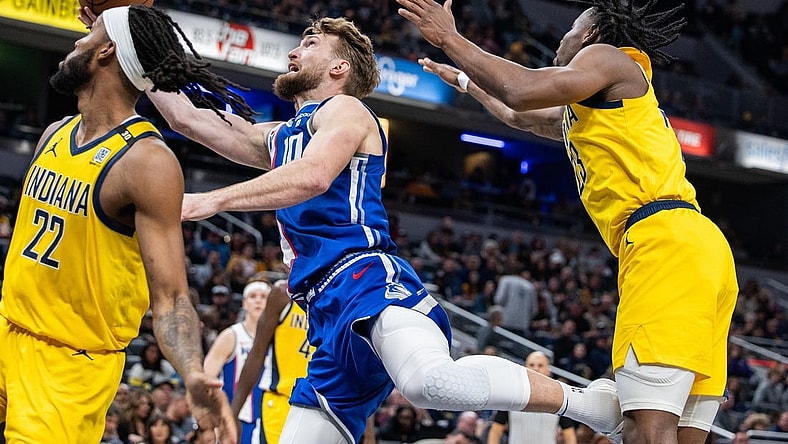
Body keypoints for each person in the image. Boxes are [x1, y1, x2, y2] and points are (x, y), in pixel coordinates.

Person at [147, 16, 623, 444]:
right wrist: (133, 52)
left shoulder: (346, 110)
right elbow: (188, 119)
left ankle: (587, 403)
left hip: (364, 277)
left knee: (429, 383)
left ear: (339, 68)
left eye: (309, 43)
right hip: (322, 310)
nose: (294, 51)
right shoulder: (280, 135)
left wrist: (212, 199)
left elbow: (314, 175)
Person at [396, 0, 739, 443]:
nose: (563, 38)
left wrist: (450, 38)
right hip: (697, 247)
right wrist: (465, 80)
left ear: (591, 34)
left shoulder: (607, 57)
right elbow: (519, 114)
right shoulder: (595, 107)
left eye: (572, 29)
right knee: (684, 435)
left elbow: (521, 89)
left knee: (645, 431)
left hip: (663, 244)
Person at [0, 5, 256, 442]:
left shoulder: (147, 162)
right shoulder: (55, 132)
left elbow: (172, 297)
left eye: (90, 34)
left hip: (68, 369)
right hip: (8, 326)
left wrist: (193, 372)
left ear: (106, 52)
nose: (78, 40)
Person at [229, 279, 313, 443]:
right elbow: (257, 352)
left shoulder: (337, 298)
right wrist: (234, 413)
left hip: (318, 408)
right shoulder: (282, 295)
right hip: (280, 403)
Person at [203, 279, 271, 443]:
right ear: (244, 303)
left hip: (270, 418)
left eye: (263, 297)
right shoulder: (231, 335)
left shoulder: (278, 339)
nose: (258, 300)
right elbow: (206, 379)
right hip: (237, 419)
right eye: (253, 296)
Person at [487, 351, 578, 444]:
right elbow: (495, 431)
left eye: (540, 365)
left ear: (548, 370)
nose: (535, 368)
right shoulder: (512, 396)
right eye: (531, 365)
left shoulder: (558, 398)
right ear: (525, 368)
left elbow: (569, 434)